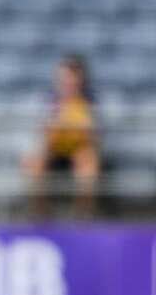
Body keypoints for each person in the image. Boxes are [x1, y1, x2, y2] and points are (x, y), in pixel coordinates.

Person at [22, 54, 100, 218]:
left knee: (87, 162)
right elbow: (43, 133)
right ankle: (40, 215)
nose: (68, 83)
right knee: (35, 163)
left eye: (72, 78)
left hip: (78, 149)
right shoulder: (50, 100)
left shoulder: (89, 101)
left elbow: (93, 136)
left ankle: (82, 216)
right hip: (54, 149)